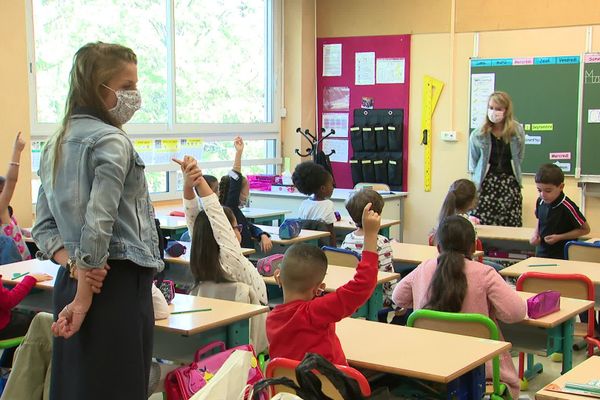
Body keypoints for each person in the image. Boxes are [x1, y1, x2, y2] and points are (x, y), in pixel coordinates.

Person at [32, 42, 164, 400]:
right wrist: (85, 293)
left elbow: (43, 227)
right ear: (98, 87)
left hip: (74, 279)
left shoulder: (54, 142)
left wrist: (76, 270)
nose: (134, 96)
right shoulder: (111, 140)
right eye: (127, 86)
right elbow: (98, 223)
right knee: (118, 388)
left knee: (76, 388)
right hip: (114, 286)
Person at [392, 215, 526, 399]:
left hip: (429, 371)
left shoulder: (424, 268)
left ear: (437, 247)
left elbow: (398, 297)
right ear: (474, 246)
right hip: (480, 374)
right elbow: (516, 313)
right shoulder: (485, 273)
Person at [266, 203, 380, 365]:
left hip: (289, 389)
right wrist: (370, 235)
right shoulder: (314, 313)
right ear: (319, 288)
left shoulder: (271, 319)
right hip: (330, 388)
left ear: (279, 277)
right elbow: (363, 284)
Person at [176, 155, 268, 351]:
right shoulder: (232, 262)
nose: (237, 232)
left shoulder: (205, 257)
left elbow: (194, 219)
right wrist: (198, 181)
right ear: (225, 232)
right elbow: (215, 215)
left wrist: (187, 186)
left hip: (214, 343)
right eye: (236, 228)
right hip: (250, 343)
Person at [469, 91, 525, 226]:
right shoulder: (478, 134)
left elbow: (519, 157)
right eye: (491, 107)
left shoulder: (517, 131)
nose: (494, 112)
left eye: (498, 109)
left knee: (511, 225)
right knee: (483, 225)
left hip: (509, 185)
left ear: (506, 111)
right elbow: (474, 162)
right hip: (486, 186)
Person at [341, 189, 396, 315]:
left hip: (351, 295)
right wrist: (397, 305)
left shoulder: (347, 239)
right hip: (375, 298)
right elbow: (388, 277)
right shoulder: (381, 242)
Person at [218, 138, 272, 253]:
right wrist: (239, 153)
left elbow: (249, 226)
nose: (246, 195)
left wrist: (262, 234)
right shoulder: (229, 208)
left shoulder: (235, 210)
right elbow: (235, 179)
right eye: (245, 191)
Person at [530, 163, 590, 259]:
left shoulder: (568, 206)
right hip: (541, 254)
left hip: (562, 256)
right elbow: (539, 219)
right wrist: (535, 233)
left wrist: (560, 237)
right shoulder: (540, 201)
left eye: (548, 191)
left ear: (561, 187)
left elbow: (585, 229)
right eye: (539, 190)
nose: (542, 194)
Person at [0, 272, 53, 367]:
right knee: (41, 325)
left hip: (4, 320)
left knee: (25, 317)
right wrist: (30, 278)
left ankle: (6, 367)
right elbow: (9, 301)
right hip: (2, 328)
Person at [0, 132, 31, 260]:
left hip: (23, 259)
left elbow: (13, 228)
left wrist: (24, 231)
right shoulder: (1, 208)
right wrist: (16, 151)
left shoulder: (7, 211)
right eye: (2, 191)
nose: (6, 195)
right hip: (13, 263)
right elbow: (11, 181)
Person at [292, 161, 336, 246]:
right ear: (323, 188)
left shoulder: (304, 204)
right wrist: (335, 251)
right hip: (322, 247)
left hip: (305, 247)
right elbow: (331, 232)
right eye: (331, 185)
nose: (333, 188)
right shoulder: (328, 204)